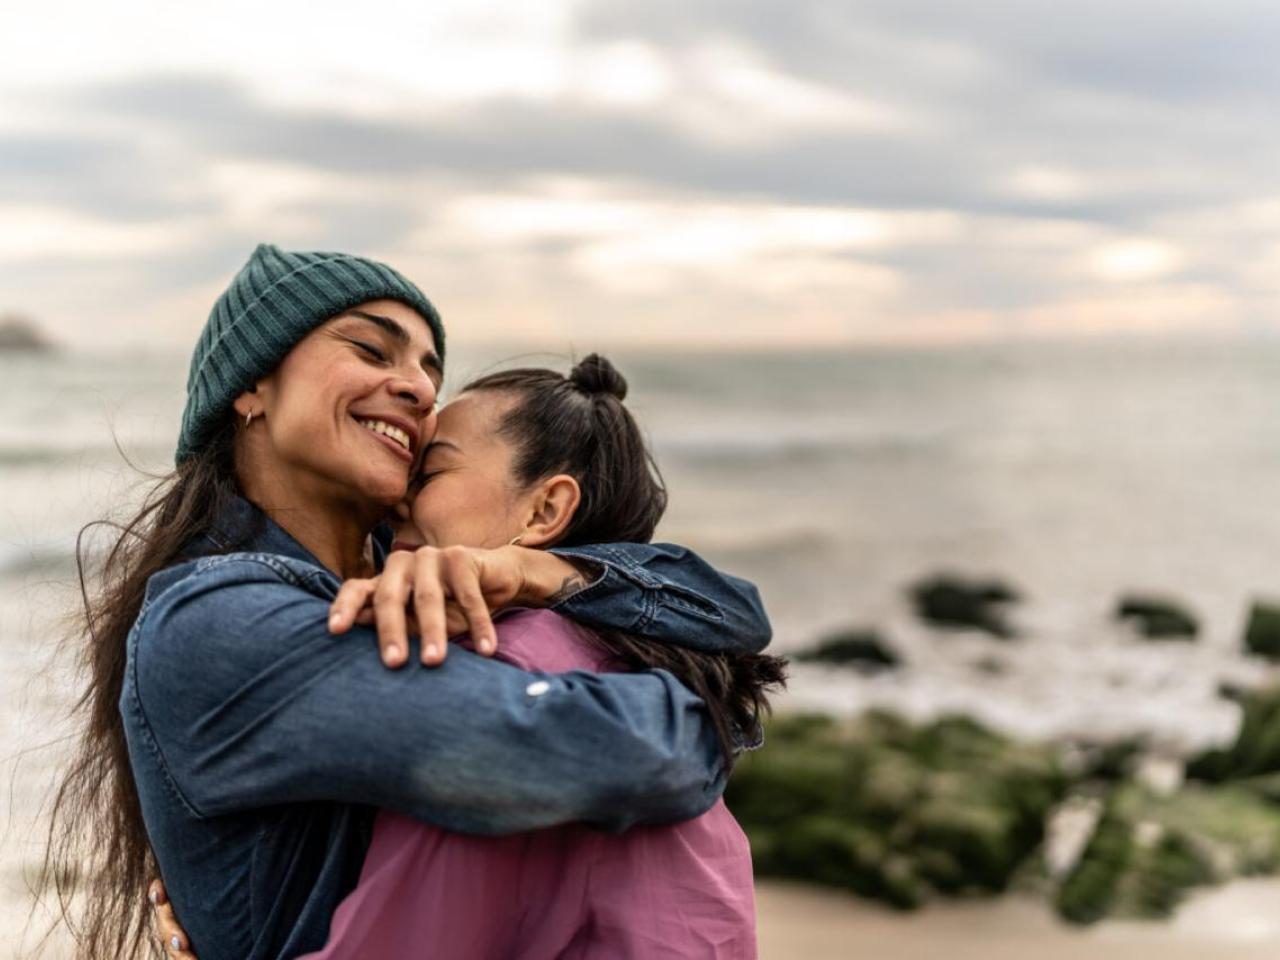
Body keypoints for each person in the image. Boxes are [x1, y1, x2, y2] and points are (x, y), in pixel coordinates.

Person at [40, 245, 773, 960]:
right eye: (372, 349)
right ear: (252, 385)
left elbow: (732, 612)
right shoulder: (219, 622)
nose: (421, 387)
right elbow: (616, 758)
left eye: (430, 368)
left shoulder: (412, 574)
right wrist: (709, 709)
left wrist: (542, 573)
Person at [158, 354, 787, 958]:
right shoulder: (624, 651)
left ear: (546, 509)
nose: (397, 498)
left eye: (428, 475)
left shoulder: (507, 669)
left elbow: (411, 941)